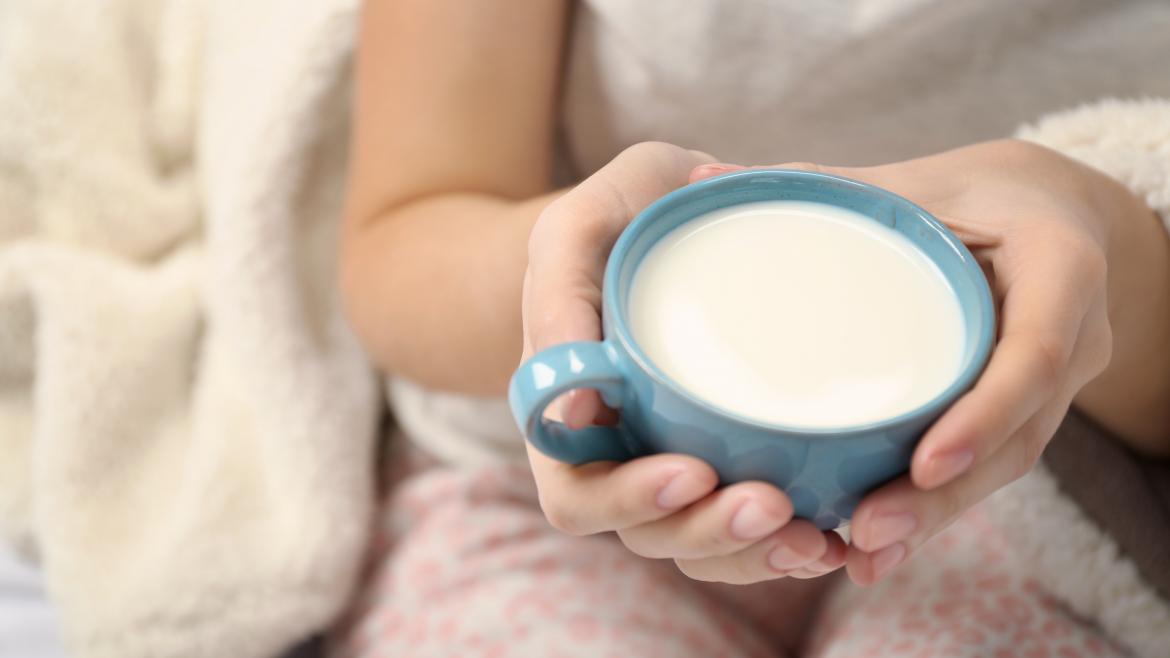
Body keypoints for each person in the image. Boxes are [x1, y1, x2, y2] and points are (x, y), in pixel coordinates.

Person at [332, 1, 1170, 656]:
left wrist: (1103, 228)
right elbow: (405, 237)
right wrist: (573, 273)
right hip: (542, 492)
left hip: (1032, 494)